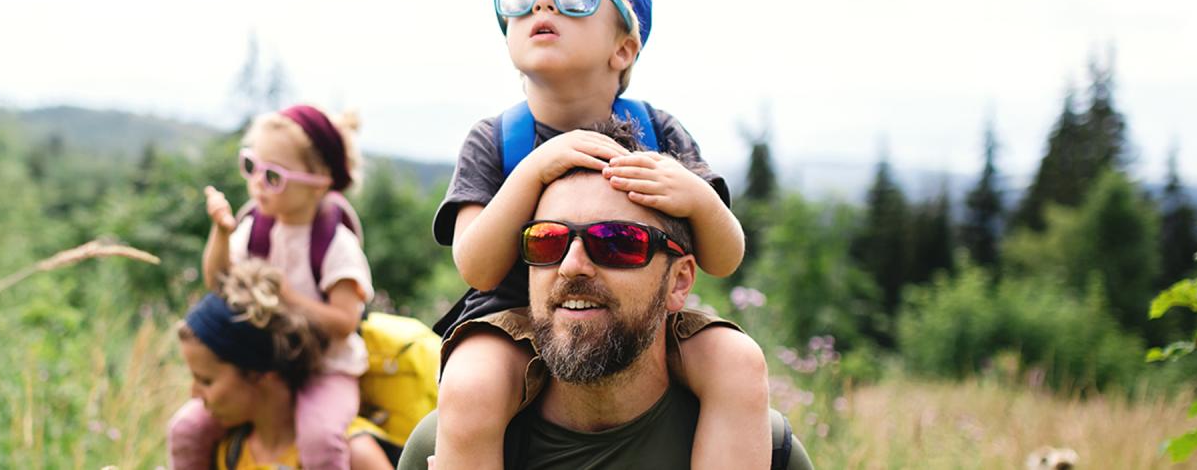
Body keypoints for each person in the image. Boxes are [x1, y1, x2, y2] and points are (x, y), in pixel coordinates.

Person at [432, 0, 770, 468]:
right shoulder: (495, 139)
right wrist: (535, 170)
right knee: (469, 388)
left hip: (638, 316)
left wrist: (699, 201)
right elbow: (476, 266)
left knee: (739, 362)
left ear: (623, 47)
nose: (543, 2)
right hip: (512, 319)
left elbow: (723, 259)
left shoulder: (659, 131)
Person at [400, 119, 812, 469]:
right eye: (546, 241)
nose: (572, 264)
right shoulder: (445, 444)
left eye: (617, 242)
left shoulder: (767, 450)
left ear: (680, 281)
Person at [168, 104, 375, 469]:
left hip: (326, 367)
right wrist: (222, 234)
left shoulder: (334, 244)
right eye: (251, 167)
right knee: (187, 429)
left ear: (320, 181)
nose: (257, 184)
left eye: (273, 176)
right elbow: (218, 281)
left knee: (321, 439)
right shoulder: (256, 227)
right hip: (268, 365)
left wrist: (288, 298)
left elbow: (345, 322)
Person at [178, 259, 393, 469]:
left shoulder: (353, 456)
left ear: (261, 374)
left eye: (206, 381)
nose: (194, 394)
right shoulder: (222, 452)